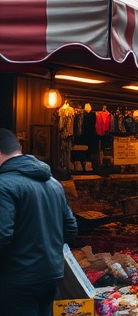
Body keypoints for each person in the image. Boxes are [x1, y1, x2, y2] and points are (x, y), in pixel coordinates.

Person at [0, 128, 78, 315]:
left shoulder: (4, 185)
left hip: (17, 279)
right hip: (51, 274)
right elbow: (71, 228)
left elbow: (2, 236)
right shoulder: (54, 183)